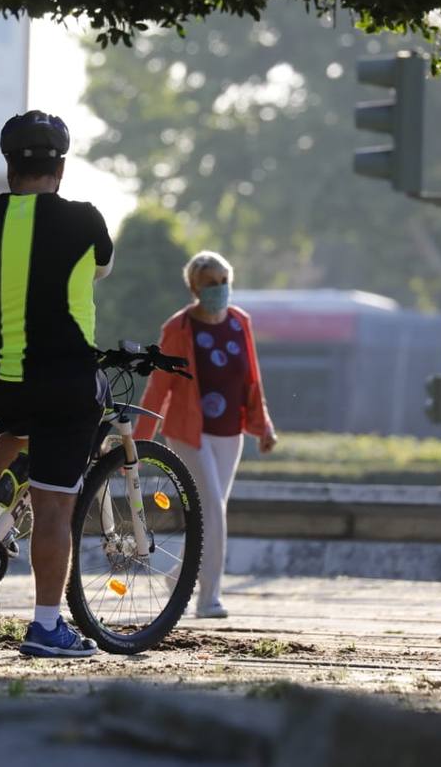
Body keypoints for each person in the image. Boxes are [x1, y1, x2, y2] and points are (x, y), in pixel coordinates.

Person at [0, 109, 113, 658]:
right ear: (61, 166)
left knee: (18, 428)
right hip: (66, 381)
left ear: (7, 166)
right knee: (55, 508)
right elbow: (98, 271)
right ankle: (47, 625)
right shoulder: (85, 220)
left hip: (1, 379)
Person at [134, 251, 277, 619]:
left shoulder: (240, 321)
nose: (219, 289)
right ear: (195, 287)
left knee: (211, 513)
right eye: (211, 283)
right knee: (212, 508)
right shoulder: (178, 328)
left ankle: (177, 576)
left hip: (231, 433)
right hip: (188, 433)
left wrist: (263, 426)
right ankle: (208, 598)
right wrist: (136, 443)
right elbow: (158, 389)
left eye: (224, 282)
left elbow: (251, 378)